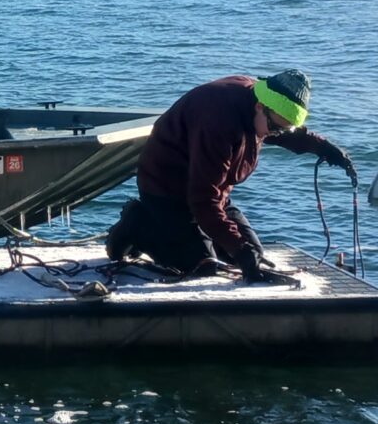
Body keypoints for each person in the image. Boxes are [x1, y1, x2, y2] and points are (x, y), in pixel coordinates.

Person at [105, 69, 354, 281]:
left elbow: (282, 129)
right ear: (260, 106)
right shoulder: (219, 123)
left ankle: (182, 237)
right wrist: (237, 249)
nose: (276, 135)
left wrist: (324, 149)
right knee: (203, 265)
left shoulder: (261, 108)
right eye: (275, 129)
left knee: (254, 254)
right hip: (166, 191)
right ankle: (137, 224)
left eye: (283, 129)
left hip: (212, 194)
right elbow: (203, 200)